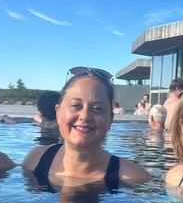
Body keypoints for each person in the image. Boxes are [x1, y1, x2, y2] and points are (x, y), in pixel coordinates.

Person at [22, 67, 153, 185]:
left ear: (110, 119)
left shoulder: (135, 178)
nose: (85, 116)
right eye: (75, 106)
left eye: (97, 108)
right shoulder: (34, 161)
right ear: (58, 113)